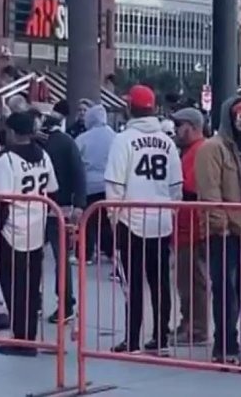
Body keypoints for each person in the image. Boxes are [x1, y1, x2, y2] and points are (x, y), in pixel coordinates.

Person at [105, 85, 183, 355]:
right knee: (160, 283)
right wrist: (170, 213)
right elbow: (176, 187)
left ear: (130, 108)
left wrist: (113, 219)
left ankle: (132, 339)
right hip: (161, 221)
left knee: (133, 284)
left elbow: (114, 185)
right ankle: (160, 337)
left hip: (131, 221)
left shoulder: (123, 140)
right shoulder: (168, 142)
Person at [194, 96, 241, 366]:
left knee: (239, 288)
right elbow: (210, 191)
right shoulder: (213, 148)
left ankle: (228, 342)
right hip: (224, 231)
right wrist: (218, 225)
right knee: (226, 289)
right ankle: (225, 346)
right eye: (240, 116)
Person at [0, 111, 57, 357]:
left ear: (13, 132)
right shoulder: (43, 156)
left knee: (13, 287)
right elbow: (52, 189)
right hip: (36, 230)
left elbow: (0, 202)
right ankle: (29, 336)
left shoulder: (6, 161)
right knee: (31, 288)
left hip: (11, 231)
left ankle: (21, 339)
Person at [36, 105, 86, 324]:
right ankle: (65, 304)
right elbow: (78, 173)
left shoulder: (35, 144)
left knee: (32, 256)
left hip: (36, 207)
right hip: (61, 207)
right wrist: (80, 204)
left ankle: (33, 300)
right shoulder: (67, 143)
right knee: (61, 259)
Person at [169, 107, 209, 347]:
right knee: (185, 279)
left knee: (193, 279)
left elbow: (191, 188)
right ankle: (190, 323)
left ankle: (197, 328)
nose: (176, 130)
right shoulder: (190, 151)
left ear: (193, 126)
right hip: (185, 225)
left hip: (192, 226)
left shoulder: (199, 152)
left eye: (180, 125)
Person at [76, 102, 116, 264]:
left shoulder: (83, 138)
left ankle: (85, 254)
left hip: (89, 185)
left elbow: (76, 160)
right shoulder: (115, 137)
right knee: (107, 222)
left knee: (88, 222)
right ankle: (111, 251)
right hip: (110, 185)